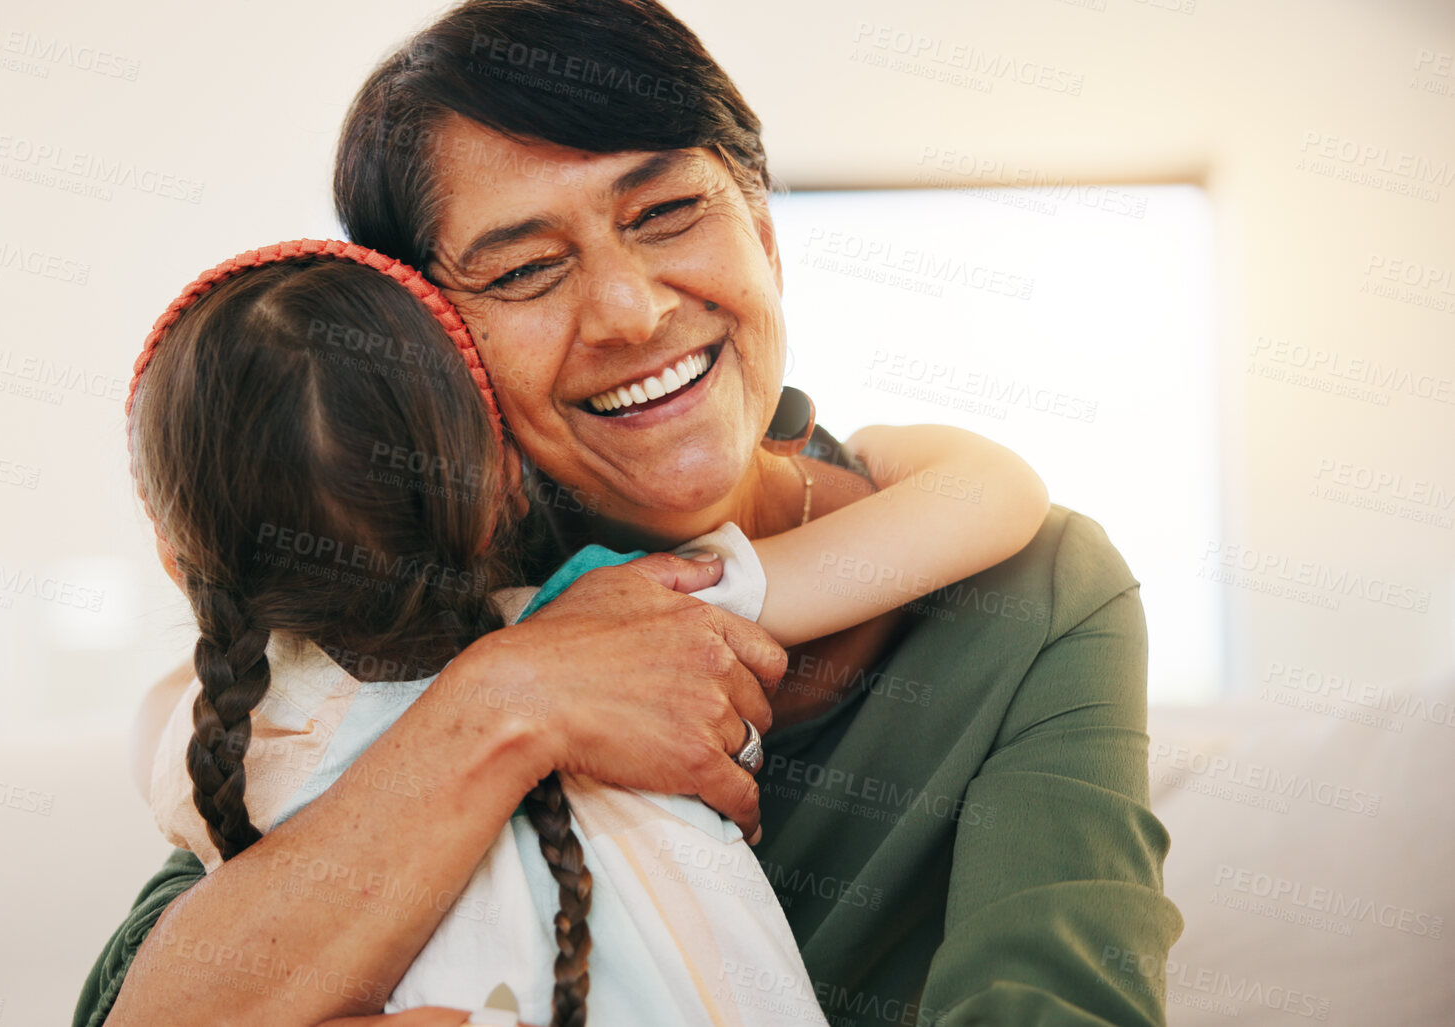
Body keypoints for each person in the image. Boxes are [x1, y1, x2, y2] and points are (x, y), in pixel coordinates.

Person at [77, 3, 1184, 1025]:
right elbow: (152, 995)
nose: (628, 310)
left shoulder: (1037, 591)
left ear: (764, 232)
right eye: (521, 271)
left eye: (666, 213)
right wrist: (508, 699)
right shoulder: (399, 606)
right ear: (431, 349)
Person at [125, 239, 1048, 1025]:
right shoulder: (612, 622)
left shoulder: (204, 740)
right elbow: (991, 501)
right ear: (502, 490)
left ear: (176, 559)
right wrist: (872, 445)